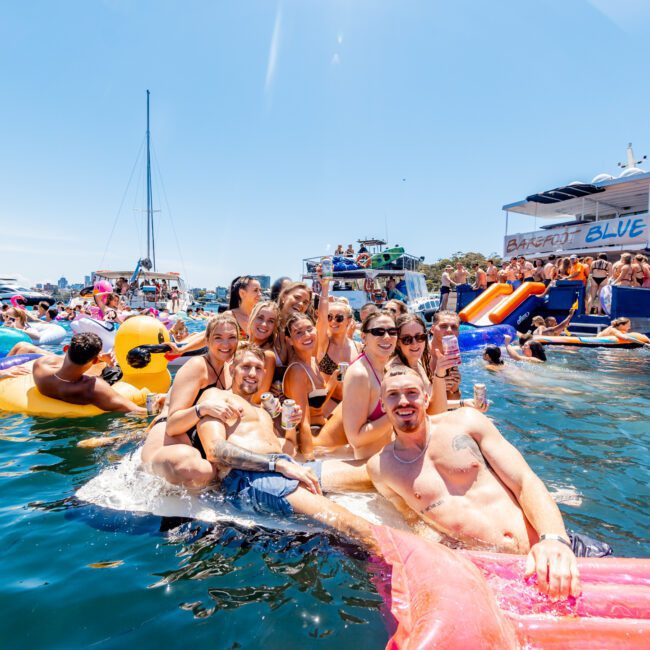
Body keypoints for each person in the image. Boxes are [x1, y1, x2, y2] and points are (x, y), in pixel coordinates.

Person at [368, 367, 610, 602]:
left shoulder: (465, 421)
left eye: (412, 392)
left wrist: (554, 540)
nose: (403, 401)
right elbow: (414, 521)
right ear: (382, 403)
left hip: (552, 548)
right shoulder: (381, 468)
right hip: (495, 575)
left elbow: (524, 480)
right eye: (393, 395)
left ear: (426, 396)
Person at [192, 343, 377, 549]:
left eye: (259, 368)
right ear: (232, 368)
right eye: (246, 366)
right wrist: (276, 464)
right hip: (249, 477)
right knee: (351, 524)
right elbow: (215, 451)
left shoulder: (261, 410)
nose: (252, 373)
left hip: (281, 467)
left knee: (374, 471)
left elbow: (285, 449)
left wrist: (291, 427)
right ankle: (400, 568)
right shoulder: (217, 397)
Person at [141, 314, 241, 486]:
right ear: (207, 340)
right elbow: (173, 426)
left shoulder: (230, 370)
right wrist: (202, 408)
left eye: (232, 337)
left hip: (198, 434)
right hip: (170, 433)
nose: (226, 344)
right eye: (218, 338)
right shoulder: (197, 366)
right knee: (196, 471)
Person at [32, 332, 146, 413]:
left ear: (66, 348)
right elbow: (138, 411)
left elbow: (63, 361)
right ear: (95, 360)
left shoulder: (40, 365)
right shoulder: (93, 388)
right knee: (116, 367)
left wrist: (99, 357)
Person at [283, 313, 342, 459]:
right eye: (299, 332)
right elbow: (303, 422)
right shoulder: (297, 371)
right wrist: (309, 458)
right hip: (312, 437)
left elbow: (317, 403)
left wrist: (333, 380)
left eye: (309, 329)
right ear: (289, 340)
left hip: (321, 430)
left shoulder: (313, 362)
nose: (307, 335)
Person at [342, 310, 398, 460]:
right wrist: (397, 414)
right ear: (364, 337)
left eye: (392, 331)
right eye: (378, 332)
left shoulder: (386, 368)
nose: (387, 337)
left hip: (390, 460)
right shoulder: (360, 375)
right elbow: (355, 439)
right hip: (369, 466)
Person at [388, 313, 451, 414]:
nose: (415, 343)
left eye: (420, 337)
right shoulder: (399, 373)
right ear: (398, 342)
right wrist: (440, 375)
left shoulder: (417, 360)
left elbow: (431, 401)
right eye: (406, 339)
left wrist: (464, 403)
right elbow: (433, 411)